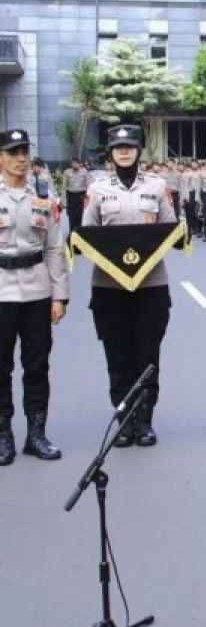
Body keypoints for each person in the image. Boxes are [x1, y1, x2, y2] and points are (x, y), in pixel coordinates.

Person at [82, 124, 176, 447]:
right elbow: (87, 234)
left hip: (151, 285)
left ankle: (145, 419)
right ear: (110, 151)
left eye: (130, 146)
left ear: (139, 150)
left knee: (147, 354)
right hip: (109, 287)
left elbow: (170, 229)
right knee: (118, 352)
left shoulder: (158, 187)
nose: (124, 151)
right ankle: (124, 419)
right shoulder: (96, 190)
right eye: (118, 146)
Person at [0, 128, 67, 465]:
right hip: (1, 291)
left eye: (24, 151)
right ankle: (3, 435)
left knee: (37, 366)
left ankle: (36, 434)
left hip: (37, 290)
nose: (21, 158)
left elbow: (55, 248)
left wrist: (60, 296)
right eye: (13, 152)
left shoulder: (43, 197)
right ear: (1, 156)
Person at [62, 157, 91, 234]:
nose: (74, 165)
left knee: (81, 217)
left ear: (79, 163)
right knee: (72, 217)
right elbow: (64, 187)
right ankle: (72, 234)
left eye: (76, 163)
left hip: (81, 196)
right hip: (71, 196)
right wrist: (63, 201)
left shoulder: (84, 172)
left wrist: (88, 200)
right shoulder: (67, 172)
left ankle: (80, 234)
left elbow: (88, 185)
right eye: (73, 163)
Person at [182, 160, 201, 238]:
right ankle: (191, 228)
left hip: (198, 193)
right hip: (190, 193)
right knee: (190, 212)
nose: (194, 165)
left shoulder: (200, 173)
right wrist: (185, 196)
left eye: (195, 163)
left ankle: (198, 228)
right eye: (192, 163)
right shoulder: (186, 174)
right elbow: (185, 186)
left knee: (198, 211)